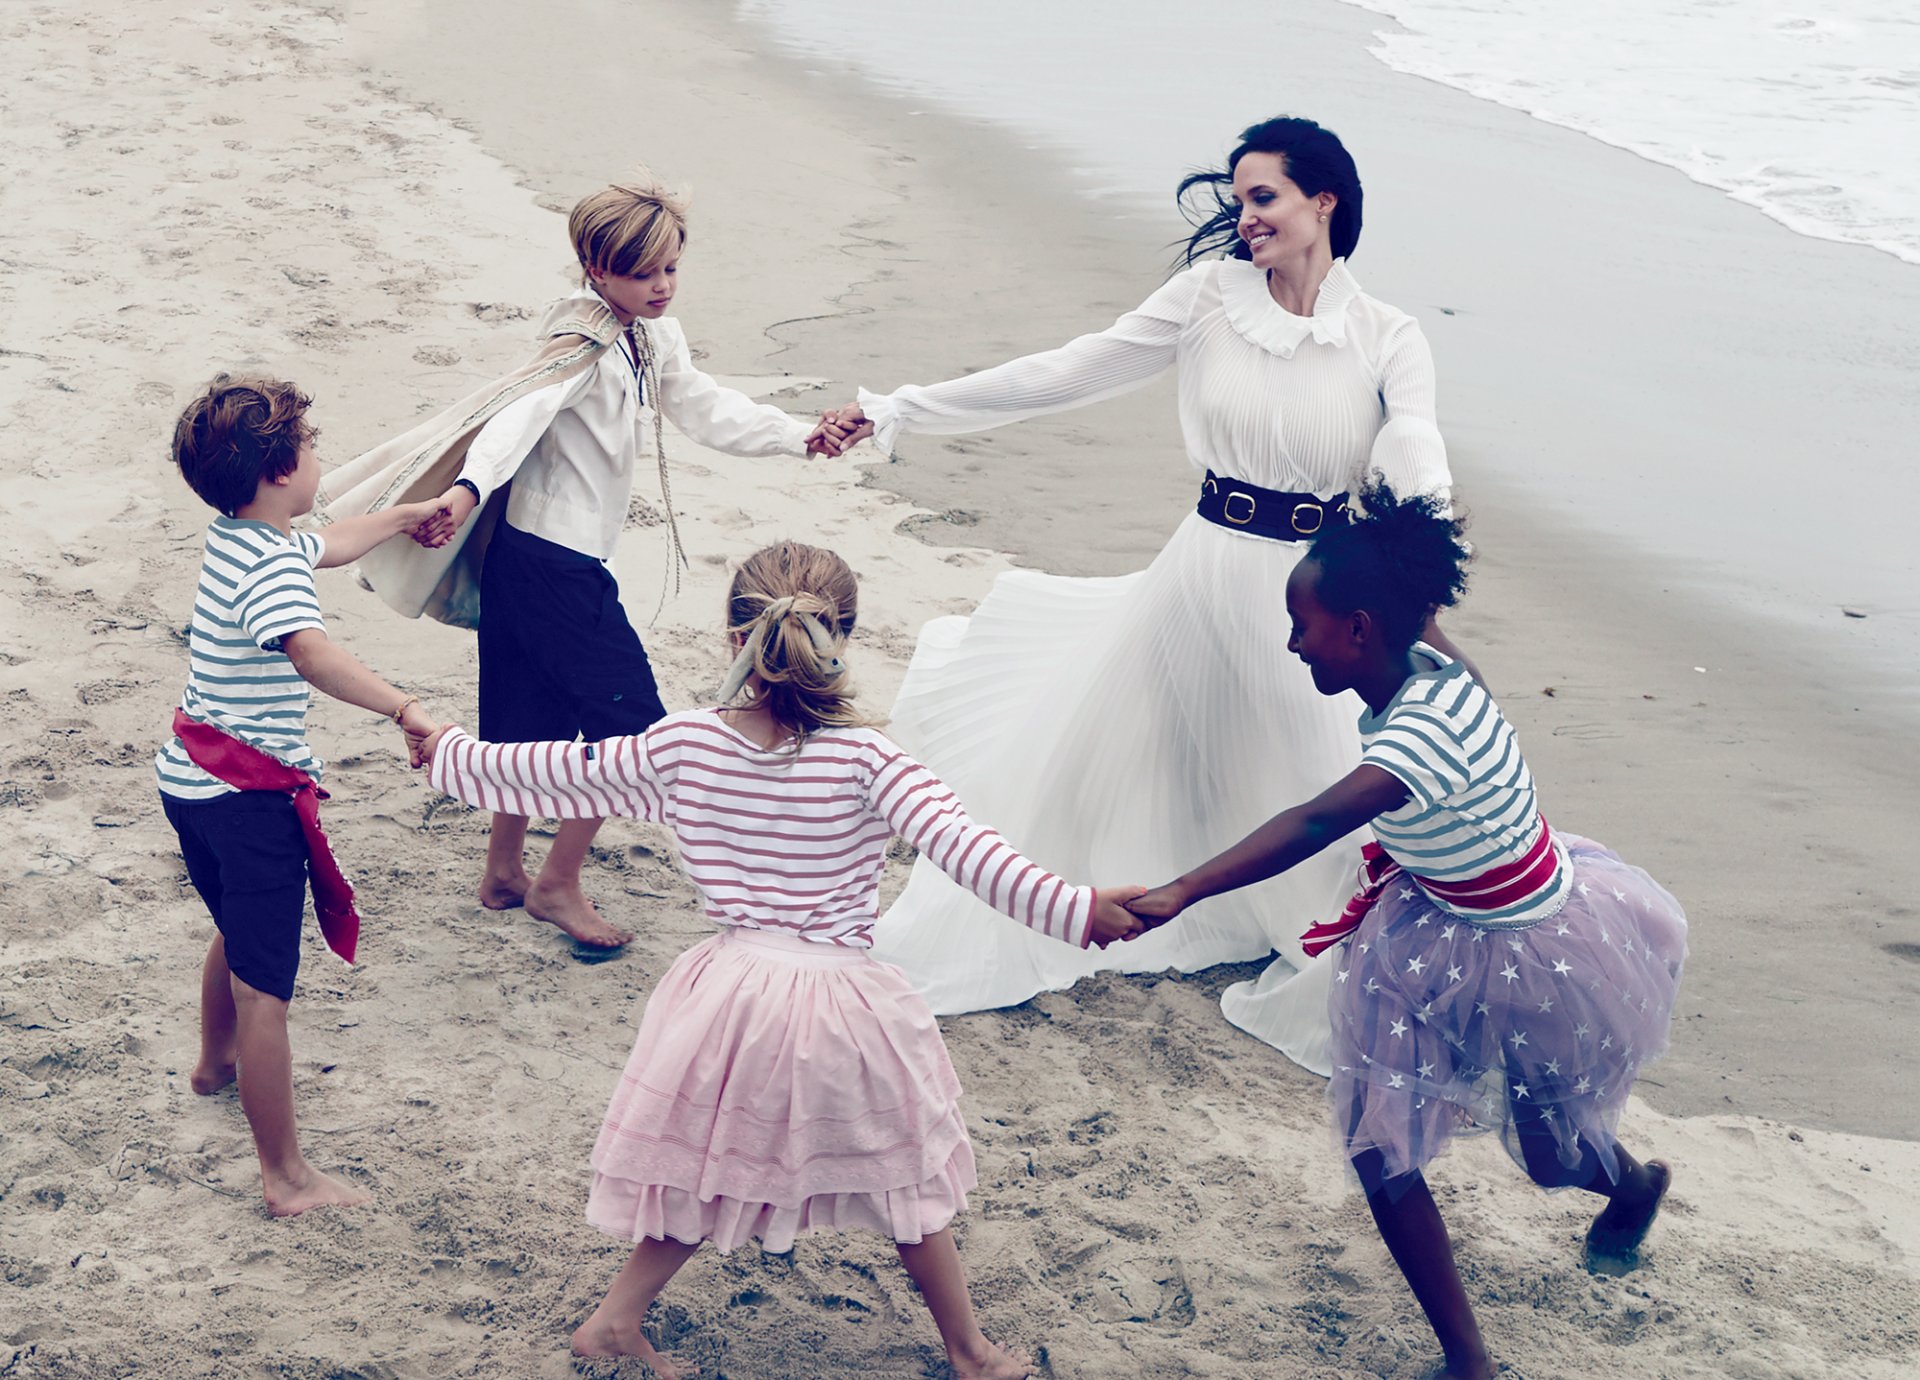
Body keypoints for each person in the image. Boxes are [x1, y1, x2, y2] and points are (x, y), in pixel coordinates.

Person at [825, 116, 1467, 1073]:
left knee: (1311, 773)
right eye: (1238, 200)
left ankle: (1303, 933)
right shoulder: (1209, 297)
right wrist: (901, 410)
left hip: (1315, 588)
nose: (1245, 217)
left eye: (1265, 197)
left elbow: (1413, 446)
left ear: (1323, 199)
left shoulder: (1388, 335)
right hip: (1203, 568)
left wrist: (1428, 553)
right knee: (1112, 760)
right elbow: (1067, 372)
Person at [416, 541, 1144, 1376]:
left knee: (708, 1170)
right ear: (846, 638)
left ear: (733, 637)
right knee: (904, 1182)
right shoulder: (870, 758)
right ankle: (971, 1351)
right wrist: (1080, 912)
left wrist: (441, 748)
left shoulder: (682, 745)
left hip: (727, 999)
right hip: (840, 1005)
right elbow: (972, 854)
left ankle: (616, 1320)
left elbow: (545, 775)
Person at [1125, 483, 1686, 1380]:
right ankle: (1470, 1360)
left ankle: (1634, 1183)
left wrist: (1183, 890)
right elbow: (1415, 607)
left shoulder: (1423, 737)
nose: (1292, 642)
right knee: (1381, 1151)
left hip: (1538, 950)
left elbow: (1314, 822)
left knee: (1550, 1151)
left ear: (1358, 630)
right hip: (1445, 916)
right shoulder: (1431, 661)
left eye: (1302, 626)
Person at [373, 174, 854, 951]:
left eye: (671, 267)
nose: (661, 285)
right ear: (595, 270)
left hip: (534, 562)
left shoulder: (651, 333)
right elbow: (515, 416)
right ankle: (555, 883)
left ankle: (503, 873)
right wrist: (465, 492)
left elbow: (703, 406)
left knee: (527, 721)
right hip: (552, 568)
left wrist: (799, 435)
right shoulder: (583, 342)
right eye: (642, 273)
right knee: (631, 734)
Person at [155, 375, 449, 1217]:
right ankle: (285, 1176)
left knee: (236, 934)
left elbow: (330, 541)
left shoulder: (244, 539)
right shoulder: (273, 576)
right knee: (266, 988)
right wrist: (403, 705)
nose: (321, 460)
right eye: (313, 448)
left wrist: (400, 516)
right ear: (283, 468)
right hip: (247, 801)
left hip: (191, 778)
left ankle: (213, 1065)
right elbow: (312, 654)